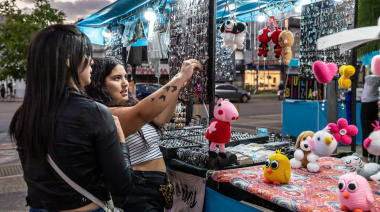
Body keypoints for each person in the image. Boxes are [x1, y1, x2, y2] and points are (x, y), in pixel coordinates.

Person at [9, 24, 134, 212]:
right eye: (85, 54)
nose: (91, 62)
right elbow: (122, 187)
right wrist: (121, 142)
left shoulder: (25, 114)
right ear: (69, 60)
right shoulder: (93, 112)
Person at [85, 57, 202, 211]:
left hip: (152, 188)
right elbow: (142, 113)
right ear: (99, 83)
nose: (125, 83)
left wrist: (178, 84)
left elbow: (161, 119)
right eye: (116, 78)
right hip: (138, 190)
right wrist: (179, 78)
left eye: (125, 77)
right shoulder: (106, 114)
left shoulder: (126, 107)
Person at [361, 74, 380, 161]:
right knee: (373, 131)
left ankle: (365, 155)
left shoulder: (368, 78)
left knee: (365, 131)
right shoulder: (378, 79)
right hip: (374, 105)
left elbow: (366, 79)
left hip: (366, 105)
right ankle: (372, 155)